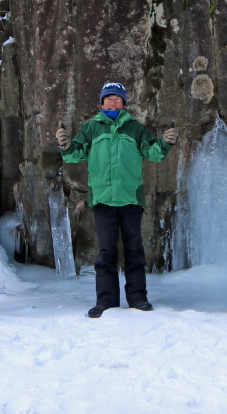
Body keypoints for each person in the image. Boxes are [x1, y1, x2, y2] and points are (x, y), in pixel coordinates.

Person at [56, 82, 177, 318]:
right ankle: (106, 302)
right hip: (102, 199)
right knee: (106, 251)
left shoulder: (135, 128)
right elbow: (74, 155)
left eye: (117, 98)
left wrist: (165, 142)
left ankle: (138, 298)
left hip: (131, 198)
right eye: (108, 98)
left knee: (134, 249)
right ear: (102, 102)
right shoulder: (90, 128)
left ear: (124, 103)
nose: (113, 102)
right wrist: (65, 144)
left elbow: (154, 153)